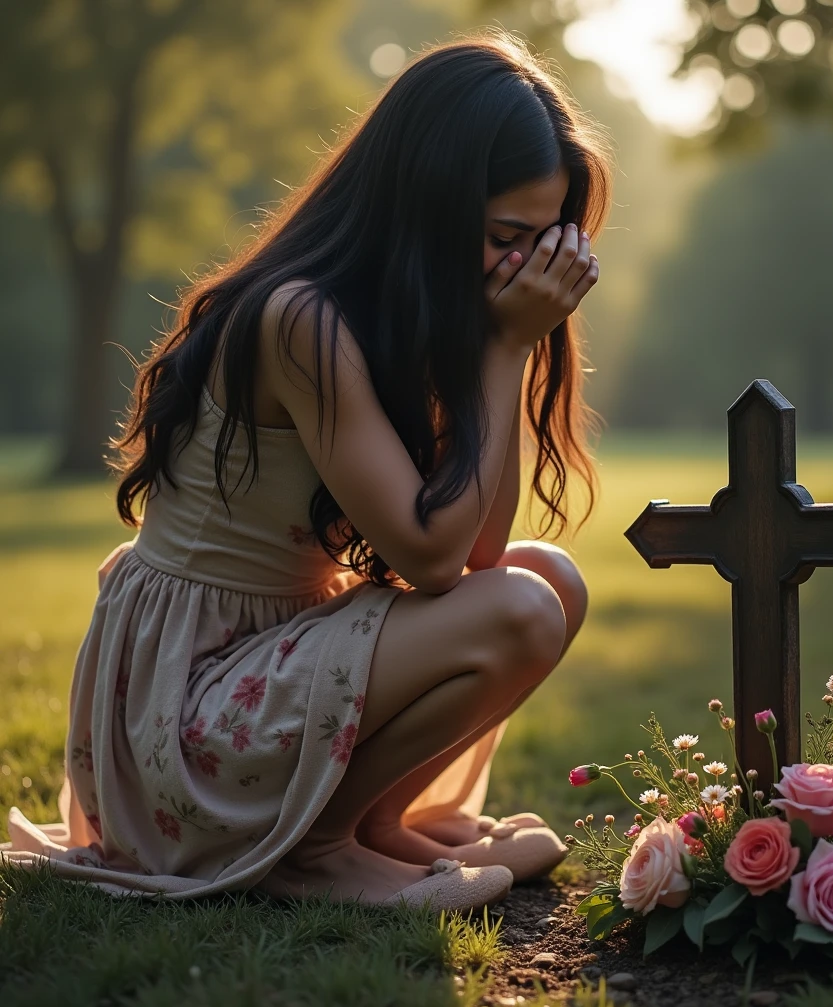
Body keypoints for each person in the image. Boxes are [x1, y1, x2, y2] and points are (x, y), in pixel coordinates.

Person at [1, 30, 612, 912]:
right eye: (503, 237)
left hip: (266, 660)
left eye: (541, 240)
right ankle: (319, 851)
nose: (521, 267)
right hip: (187, 710)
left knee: (547, 577)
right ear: (428, 203)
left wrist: (495, 350)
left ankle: (372, 822)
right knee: (521, 607)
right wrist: (508, 348)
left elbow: (474, 551)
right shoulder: (301, 321)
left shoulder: (412, 318)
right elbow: (436, 564)